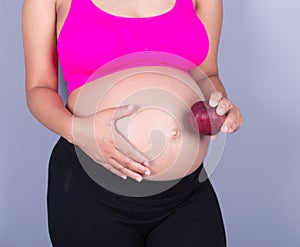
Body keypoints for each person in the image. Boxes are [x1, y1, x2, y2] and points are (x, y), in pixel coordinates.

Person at [22, 0, 243, 246]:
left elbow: (207, 74)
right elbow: (38, 88)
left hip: (185, 192)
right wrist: (76, 130)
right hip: (92, 189)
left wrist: (219, 106)